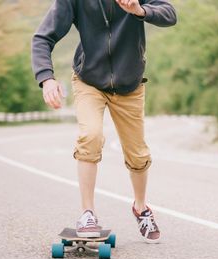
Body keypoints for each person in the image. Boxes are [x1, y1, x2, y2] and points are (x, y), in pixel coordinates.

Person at [31, 0, 177, 243]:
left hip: (130, 85)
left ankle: (141, 208)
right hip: (89, 80)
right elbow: (42, 38)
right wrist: (46, 78)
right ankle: (88, 213)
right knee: (91, 136)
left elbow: (169, 14)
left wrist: (140, 11)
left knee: (138, 154)